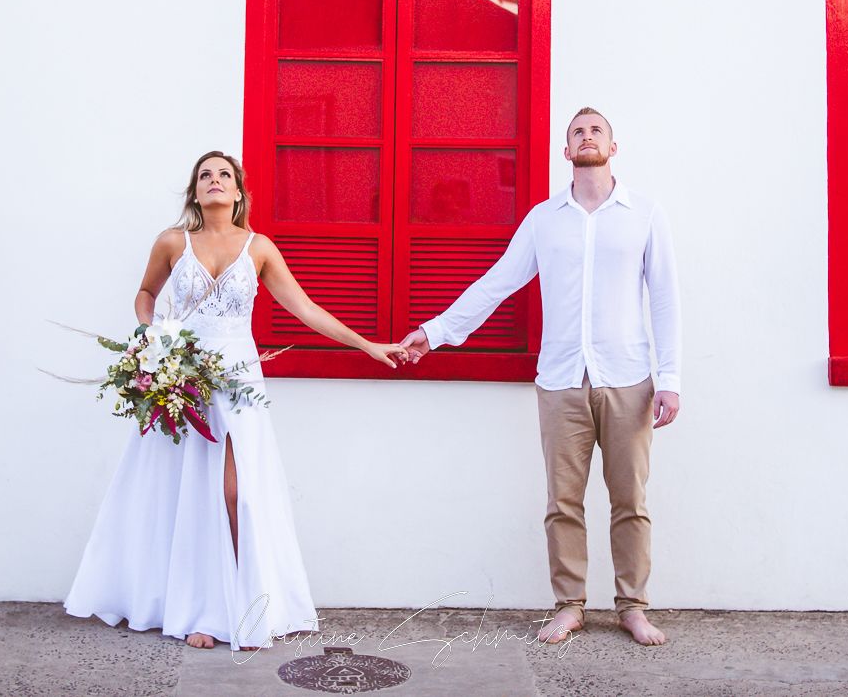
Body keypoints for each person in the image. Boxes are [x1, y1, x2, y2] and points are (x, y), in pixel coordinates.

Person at [65, 150, 408, 650]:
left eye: (224, 175)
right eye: (205, 176)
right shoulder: (171, 242)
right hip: (181, 376)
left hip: (238, 380)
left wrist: (368, 345)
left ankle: (246, 609)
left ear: (239, 191)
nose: (215, 181)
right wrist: (152, 337)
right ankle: (202, 613)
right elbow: (145, 294)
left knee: (235, 494)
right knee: (186, 495)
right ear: (195, 191)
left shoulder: (259, 248)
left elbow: (306, 308)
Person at [400, 108, 682, 647]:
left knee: (630, 500)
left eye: (596, 129)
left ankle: (633, 607)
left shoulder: (645, 214)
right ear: (566, 150)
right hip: (560, 382)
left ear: (613, 147)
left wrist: (669, 377)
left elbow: (666, 299)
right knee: (562, 502)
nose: (587, 136)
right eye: (577, 131)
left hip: (628, 380)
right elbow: (496, 283)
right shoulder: (544, 220)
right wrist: (433, 333)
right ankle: (569, 604)